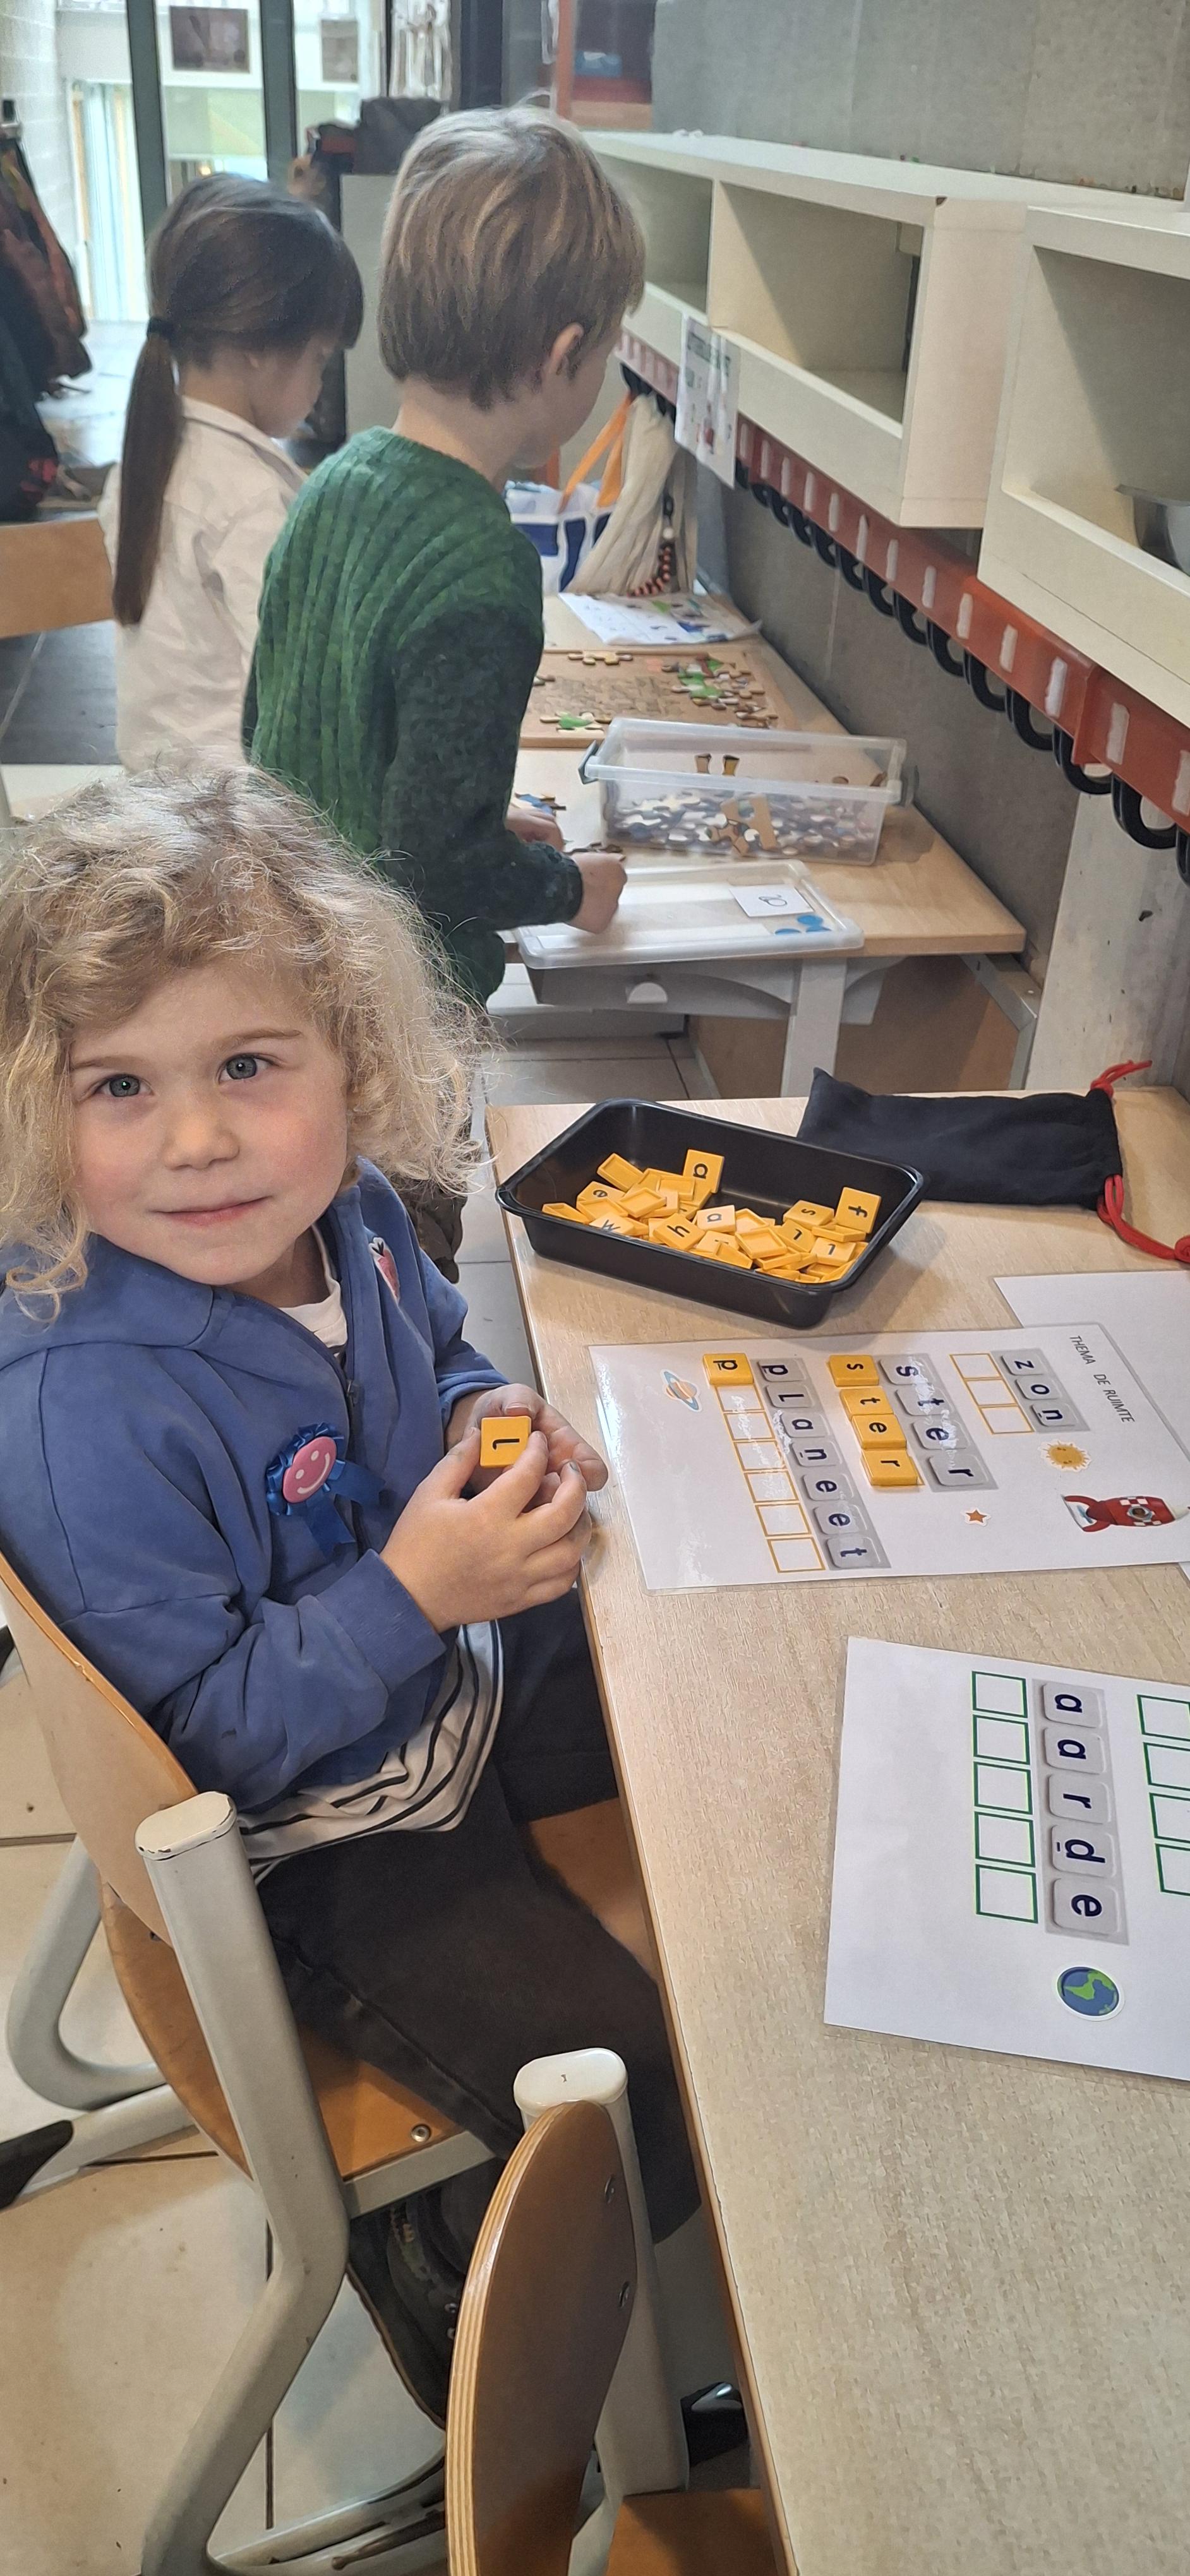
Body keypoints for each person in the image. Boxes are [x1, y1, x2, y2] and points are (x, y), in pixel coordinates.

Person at [0, 769, 698, 2424]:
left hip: (424, 1671)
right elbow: (200, 1750)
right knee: (632, 2099)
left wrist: (480, 1414)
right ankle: (444, 2279)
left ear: (349, 1060)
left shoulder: (358, 1214)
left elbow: (434, 1358)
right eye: (120, 1086)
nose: (198, 1140)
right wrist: (413, 1591)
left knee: (710, 1710)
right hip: (319, 1833)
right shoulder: (81, 1405)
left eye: (248, 1066)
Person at [247, 109, 638, 1261]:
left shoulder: (336, 480)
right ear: (562, 353)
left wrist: (467, 807)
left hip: (290, 956)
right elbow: (434, 862)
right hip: (398, 1015)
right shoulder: (480, 564)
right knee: (402, 1255)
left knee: (313, 1249)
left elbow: (277, 733)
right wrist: (570, 888)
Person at [99, 176, 363, 771]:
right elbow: (305, 699)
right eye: (320, 358)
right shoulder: (251, 497)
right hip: (234, 812)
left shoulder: (150, 456)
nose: (320, 385)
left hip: (155, 798)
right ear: (259, 348)